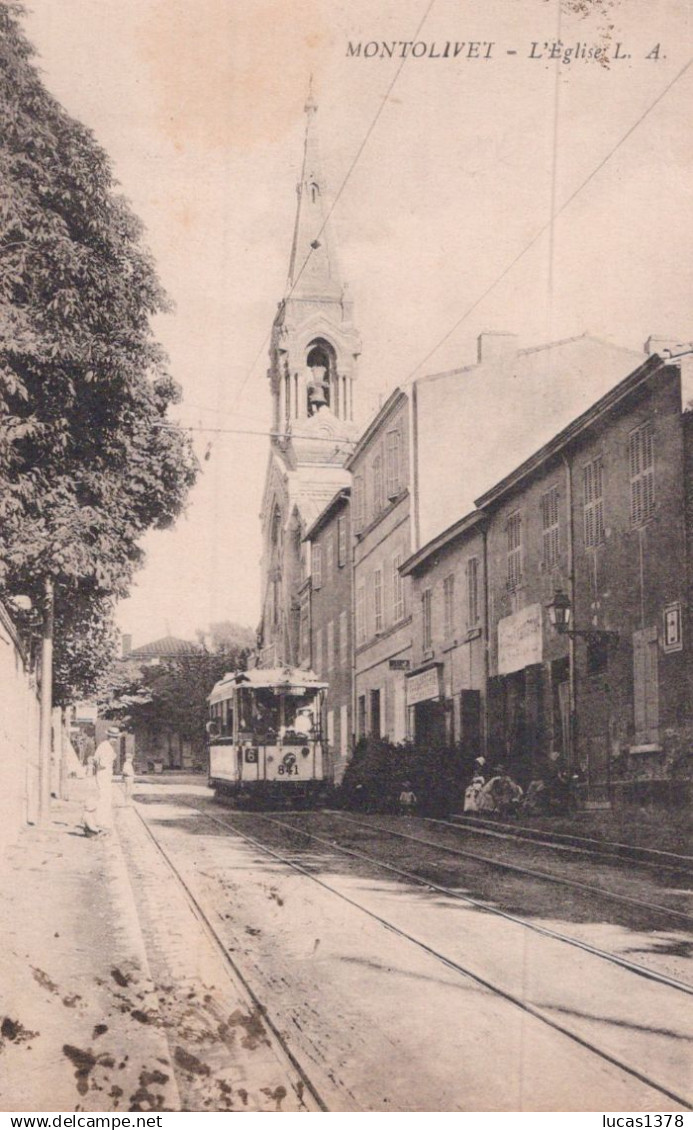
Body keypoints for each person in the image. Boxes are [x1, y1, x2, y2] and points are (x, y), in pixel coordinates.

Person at [93, 729, 118, 831]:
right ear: (109, 737)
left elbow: (95, 758)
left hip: (105, 774)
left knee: (106, 797)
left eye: (116, 738)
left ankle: (103, 820)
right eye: (113, 737)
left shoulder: (105, 746)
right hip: (103, 773)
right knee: (105, 798)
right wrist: (109, 760)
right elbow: (101, 762)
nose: (115, 740)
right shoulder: (106, 747)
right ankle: (101, 822)